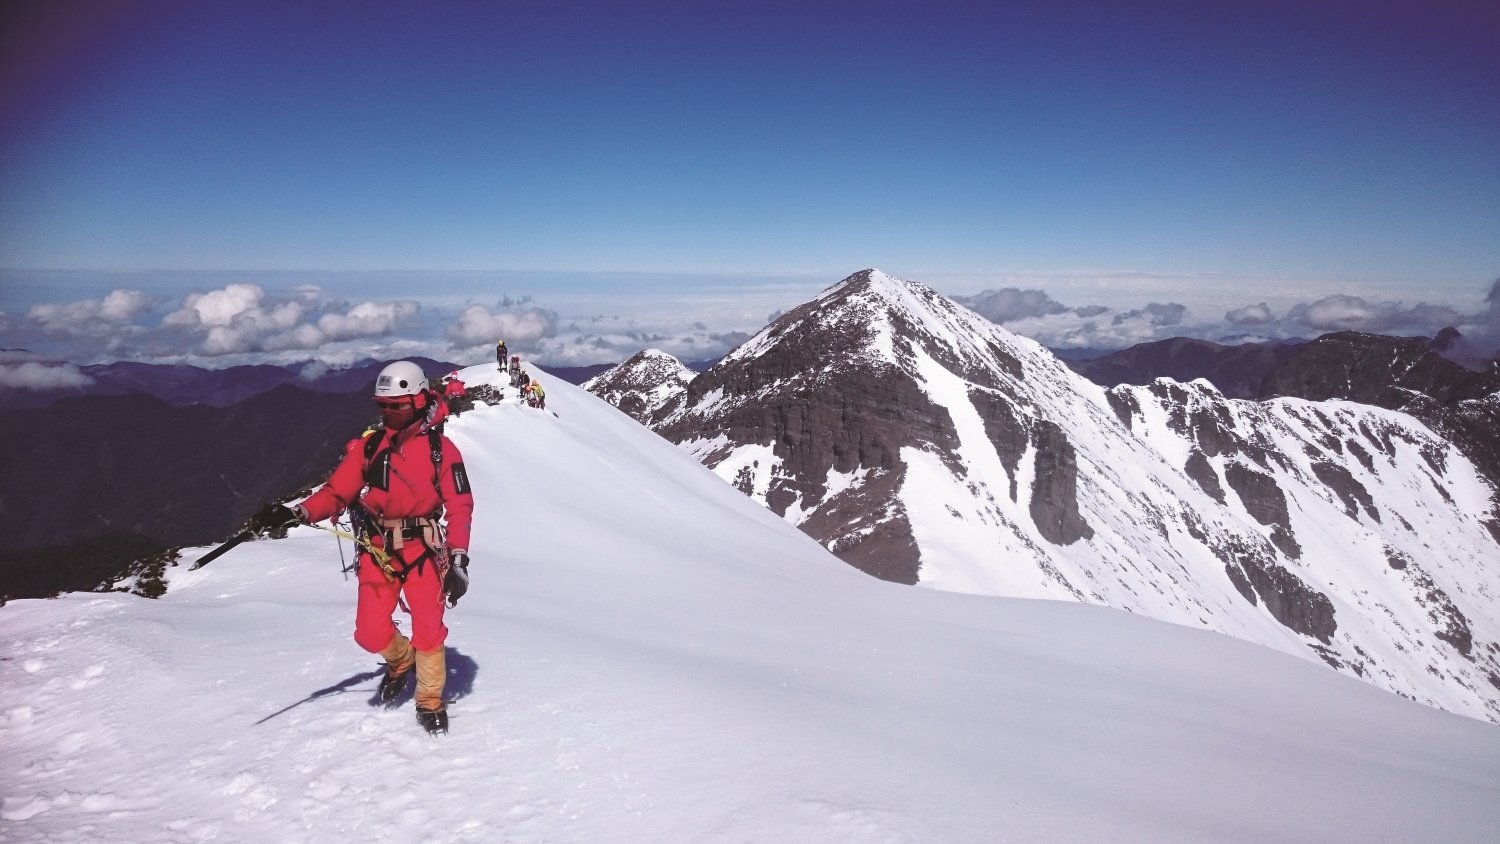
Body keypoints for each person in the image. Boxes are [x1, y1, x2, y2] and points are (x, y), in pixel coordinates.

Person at [249, 361, 474, 735]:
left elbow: (460, 504)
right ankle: (402, 660)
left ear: (420, 400)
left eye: (397, 405)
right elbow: (336, 493)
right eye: (384, 406)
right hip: (378, 549)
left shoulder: (442, 450)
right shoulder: (370, 447)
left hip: (422, 550)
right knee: (369, 632)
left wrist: (459, 558)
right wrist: (296, 512)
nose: (389, 412)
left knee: (429, 629)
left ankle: (429, 700)